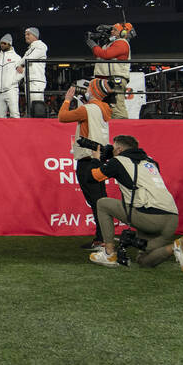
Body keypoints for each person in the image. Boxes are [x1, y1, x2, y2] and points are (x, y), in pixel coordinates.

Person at [86, 134, 183, 271]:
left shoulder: (119, 161)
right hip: (172, 219)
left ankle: (109, 254)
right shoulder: (151, 161)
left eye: (113, 148)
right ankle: (175, 248)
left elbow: (92, 177)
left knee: (102, 203)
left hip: (149, 217)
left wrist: (96, 159)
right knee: (144, 260)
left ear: (119, 149)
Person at [58, 76, 117, 249]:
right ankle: (102, 238)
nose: (87, 90)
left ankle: (104, 240)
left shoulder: (89, 109)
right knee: (98, 199)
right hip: (97, 158)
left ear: (95, 91)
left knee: (96, 201)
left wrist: (68, 100)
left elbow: (62, 117)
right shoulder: (103, 107)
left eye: (89, 88)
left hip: (87, 159)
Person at [89, 22, 133, 119]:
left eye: (114, 30)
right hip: (106, 79)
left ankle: (123, 130)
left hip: (115, 79)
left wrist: (93, 45)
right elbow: (99, 54)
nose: (111, 32)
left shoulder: (122, 43)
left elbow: (106, 55)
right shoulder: (110, 44)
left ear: (123, 33)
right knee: (106, 109)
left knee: (117, 108)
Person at [17, 27, 48, 117]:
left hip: (36, 81)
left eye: (28, 34)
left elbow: (29, 58)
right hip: (30, 81)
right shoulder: (30, 49)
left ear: (35, 35)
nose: (26, 36)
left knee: (37, 108)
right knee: (31, 109)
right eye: (25, 34)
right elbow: (28, 62)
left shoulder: (40, 45)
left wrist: (19, 64)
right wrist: (22, 67)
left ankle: (40, 129)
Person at [0, 34, 23, 118]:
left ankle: (17, 131)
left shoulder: (16, 57)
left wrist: (11, 82)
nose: (2, 45)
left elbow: (21, 73)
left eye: (4, 43)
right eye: (1, 43)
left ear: (10, 44)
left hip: (11, 90)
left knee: (15, 114)